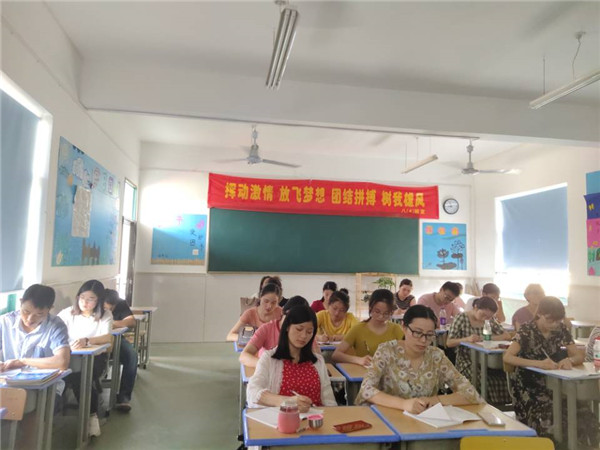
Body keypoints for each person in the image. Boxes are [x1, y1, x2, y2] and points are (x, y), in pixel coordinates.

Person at [503, 297, 598, 446]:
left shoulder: (560, 329)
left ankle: (582, 446)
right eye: (550, 320)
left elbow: (579, 355)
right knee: (549, 415)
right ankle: (553, 446)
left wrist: (570, 360)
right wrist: (539, 364)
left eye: (558, 321)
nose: (554, 324)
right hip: (529, 385)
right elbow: (508, 357)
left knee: (583, 411)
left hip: (555, 383)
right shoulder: (527, 330)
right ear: (539, 314)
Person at [355, 305, 482, 412]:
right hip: (389, 419)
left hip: (424, 422)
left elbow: (470, 393)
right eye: (417, 333)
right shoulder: (387, 351)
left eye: (429, 335)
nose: (423, 340)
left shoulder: (436, 356)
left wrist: (435, 400)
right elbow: (366, 389)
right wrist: (404, 404)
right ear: (404, 327)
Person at [246, 305, 337, 412]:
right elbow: (252, 392)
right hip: (282, 418)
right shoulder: (269, 359)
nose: (304, 336)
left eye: (309, 332)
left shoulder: (317, 361)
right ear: (287, 327)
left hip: (316, 417)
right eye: (299, 329)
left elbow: (329, 401)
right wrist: (286, 401)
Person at [58, 280, 113, 437]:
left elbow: (107, 337)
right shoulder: (67, 313)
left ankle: (91, 416)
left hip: (95, 360)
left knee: (81, 378)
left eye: (91, 299)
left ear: (99, 300)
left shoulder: (105, 315)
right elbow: (54, 330)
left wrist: (87, 341)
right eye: (82, 297)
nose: (85, 302)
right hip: (69, 358)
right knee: (67, 376)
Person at [446, 297, 512, 405]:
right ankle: (484, 405)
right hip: (467, 362)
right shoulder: (462, 318)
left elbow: (506, 336)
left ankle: (499, 406)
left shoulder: (489, 320)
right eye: (483, 315)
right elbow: (449, 342)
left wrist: (485, 338)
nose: (485, 318)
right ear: (475, 307)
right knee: (484, 379)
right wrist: (466, 339)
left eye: (489, 317)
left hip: (486, 361)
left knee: (508, 377)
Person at [332, 289, 404, 367]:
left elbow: (409, 354)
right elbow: (336, 355)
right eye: (377, 311)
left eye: (386, 313)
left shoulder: (396, 329)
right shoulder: (358, 329)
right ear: (370, 308)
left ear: (391, 312)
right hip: (363, 373)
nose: (381, 317)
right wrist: (358, 360)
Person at [239, 296, 313, 368]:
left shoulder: (305, 333)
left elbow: (314, 358)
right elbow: (244, 356)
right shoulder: (266, 329)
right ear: (283, 312)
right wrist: (267, 365)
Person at [103, 289, 138, 412]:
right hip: (94, 339)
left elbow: (131, 321)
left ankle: (124, 397)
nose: (110, 310)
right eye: (106, 307)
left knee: (131, 355)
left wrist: (111, 323)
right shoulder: (92, 305)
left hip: (116, 339)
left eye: (112, 308)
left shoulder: (121, 304)